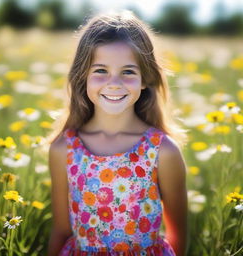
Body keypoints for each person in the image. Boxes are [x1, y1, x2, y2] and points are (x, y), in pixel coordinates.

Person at [48, 10, 188, 256]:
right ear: (84, 77)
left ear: (145, 78)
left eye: (128, 71)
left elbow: (177, 235)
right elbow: (61, 230)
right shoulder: (64, 149)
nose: (114, 83)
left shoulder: (163, 151)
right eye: (100, 70)